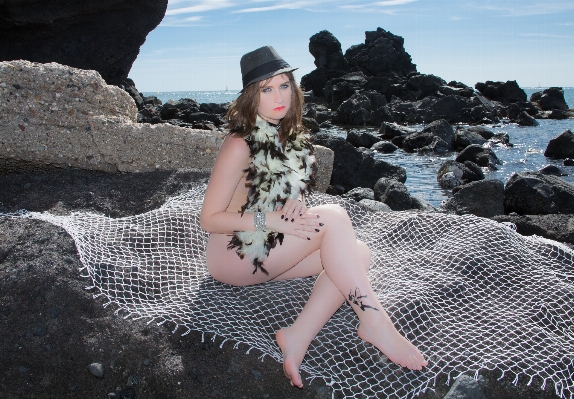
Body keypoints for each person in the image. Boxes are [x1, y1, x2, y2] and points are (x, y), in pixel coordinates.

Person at [199, 45, 427, 389]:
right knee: (335, 216)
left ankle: (298, 336)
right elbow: (209, 219)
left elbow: (276, 191)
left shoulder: (286, 137)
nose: (279, 96)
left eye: (284, 85)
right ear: (251, 96)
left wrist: (292, 206)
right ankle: (376, 323)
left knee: (357, 252)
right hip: (235, 254)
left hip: (268, 246)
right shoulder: (240, 143)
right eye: (267, 89)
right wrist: (269, 221)